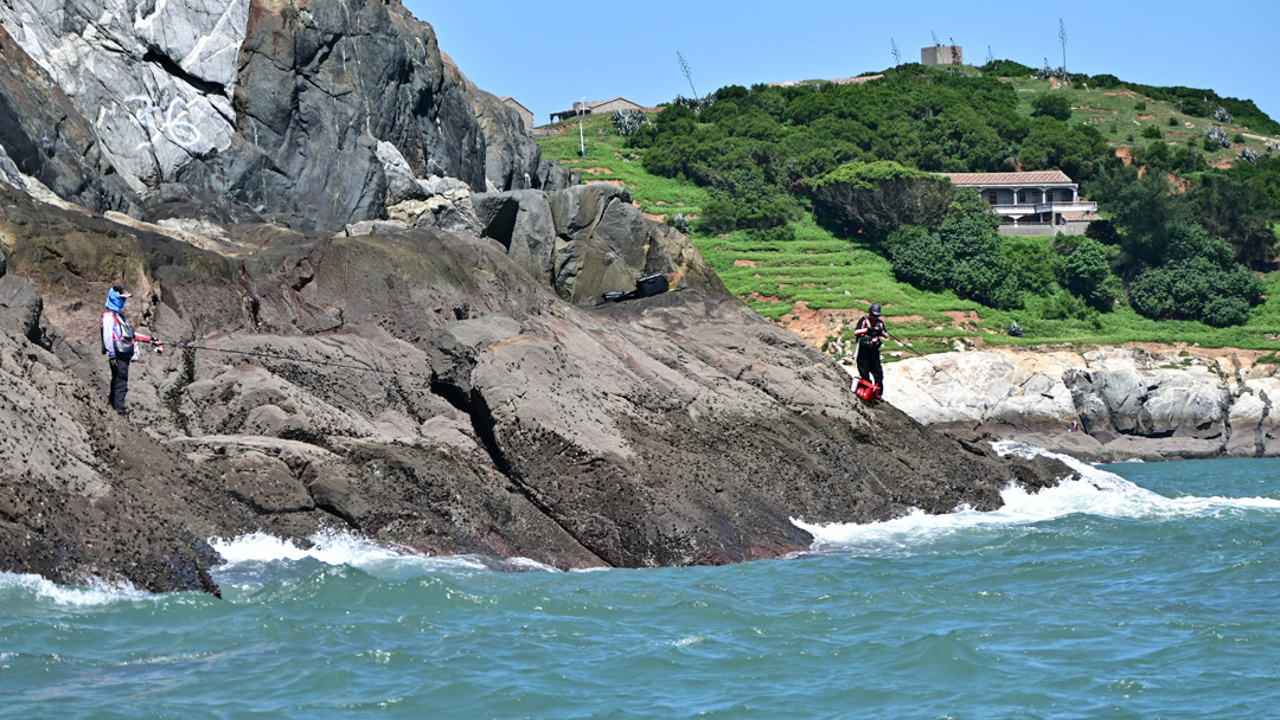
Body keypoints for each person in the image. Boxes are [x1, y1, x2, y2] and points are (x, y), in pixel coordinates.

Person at [101, 286, 162, 414]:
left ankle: (112, 407)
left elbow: (130, 334)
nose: (123, 302)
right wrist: (111, 356)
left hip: (123, 354)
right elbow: (107, 336)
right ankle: (119, 410)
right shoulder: (109, 317)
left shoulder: (118, 316)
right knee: (121, 382)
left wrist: (150, 339)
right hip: (118, 354)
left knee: (118, 380)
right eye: (121, 299)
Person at [853, 302, 887, 394]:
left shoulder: (880, 323)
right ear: (870, 313)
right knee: (864, 373)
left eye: (877, 316)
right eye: (873, 315)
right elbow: (856, 332)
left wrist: (880, 332)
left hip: (874, 352)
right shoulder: (864, 320)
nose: (875, 317)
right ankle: (867, 392)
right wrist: (868, 330)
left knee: (878, 375)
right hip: (863, 352)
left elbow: (886, 335)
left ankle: (878, 394)